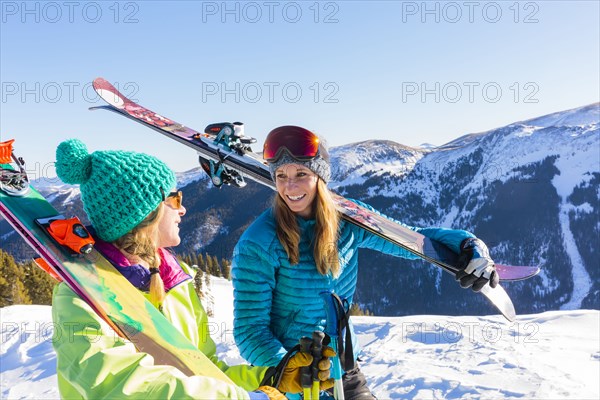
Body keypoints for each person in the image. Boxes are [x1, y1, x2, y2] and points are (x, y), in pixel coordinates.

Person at [51, 139, 333, 399]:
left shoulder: (175, 280)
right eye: (174, 200)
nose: (182, 209)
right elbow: (115, 384)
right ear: (145, 214)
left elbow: (204, 371)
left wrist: (273, 376)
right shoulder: (79, 296)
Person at [231, 126, 499, 399]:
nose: (290, 187)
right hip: (289, 376)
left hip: (344, 366)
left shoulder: (351, 222)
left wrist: (466, 244)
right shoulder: (258, 242)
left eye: (301, 174)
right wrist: (288, 370)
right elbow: (249, 330)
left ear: (320, 177)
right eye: (280, 176)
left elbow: (410, 240)